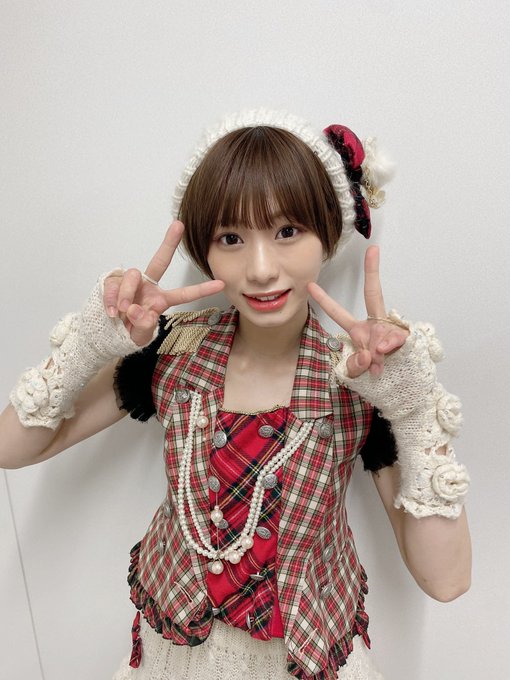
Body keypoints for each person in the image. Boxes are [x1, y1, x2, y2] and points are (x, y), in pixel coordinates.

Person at [0, 110, 472, 680]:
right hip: (175, 655)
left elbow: (446, 580)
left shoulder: (365, 382)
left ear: (328, 234)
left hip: (305, 657)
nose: (261, 268)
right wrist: (90, 343)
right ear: (206, 250)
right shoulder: (172, 353)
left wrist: (413, 408)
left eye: (287, 231)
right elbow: (12, 448)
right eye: (231, 238)